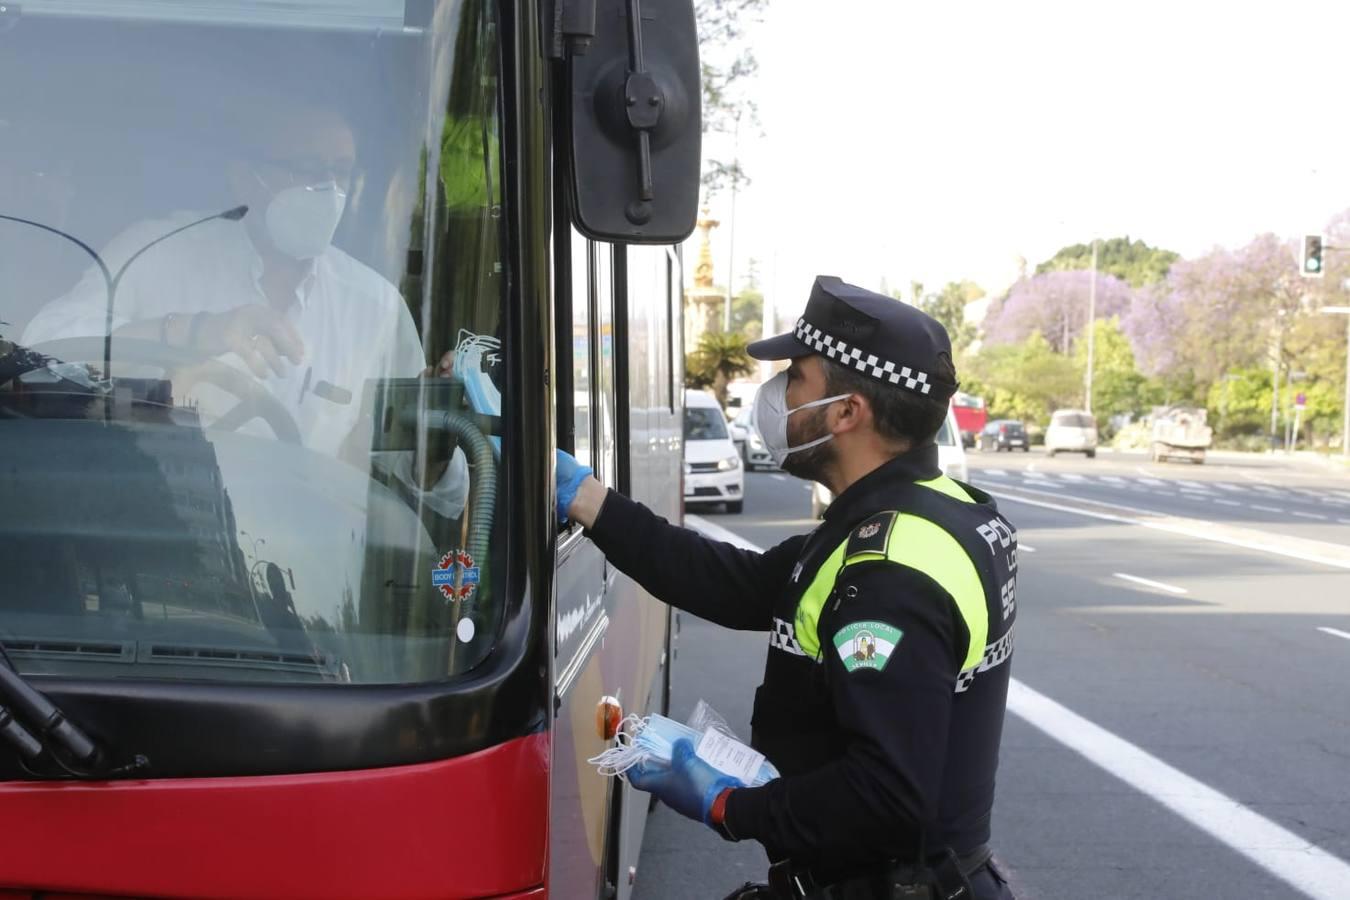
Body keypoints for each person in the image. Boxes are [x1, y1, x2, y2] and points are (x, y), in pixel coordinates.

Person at [556, 276, 1018, 900]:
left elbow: (886, 794)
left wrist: (728, 803)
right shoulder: (922, 513)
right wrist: (588, 499)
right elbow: (735, 583)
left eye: (796, 378)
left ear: (847, 412)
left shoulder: (888, 576)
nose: (777, 396)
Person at [21, 101, 467, 517]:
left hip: (313, 580)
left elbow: (451, 498)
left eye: (340, 173)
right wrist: (193, 332)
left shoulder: (375, 306)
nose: (327, 189)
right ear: (244, 176)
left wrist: (434, 438)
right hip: (154, 530)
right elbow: (41, 346)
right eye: (308, 170)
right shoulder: (161, 253)